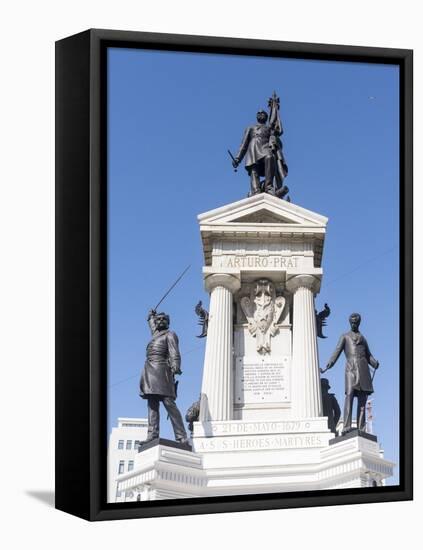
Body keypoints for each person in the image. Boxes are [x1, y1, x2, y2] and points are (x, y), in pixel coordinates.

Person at [321, 313, 379, 434]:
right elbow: (336, 351)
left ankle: (361, 427)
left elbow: (369, 355)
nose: (353, 324)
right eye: (352, 323)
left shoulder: (363, 339)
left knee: (362, 401)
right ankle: (346, 426)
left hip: (363, 370)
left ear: (359, 323)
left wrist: (374, 363)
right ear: (349, 323)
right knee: (349, 395)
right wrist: (328, 365)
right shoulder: (345, 336)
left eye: (355, 323)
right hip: (350, 369)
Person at [139, 309, 189, 444]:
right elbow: (152, 324)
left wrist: (175, 366)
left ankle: (181, 436)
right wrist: (151, 316)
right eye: (158, 319)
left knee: (168, 403)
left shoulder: (170, 335)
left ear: (168, 322)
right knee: (152, 404)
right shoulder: (156, 334)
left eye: (163, 319)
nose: (160, 321)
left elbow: (174, 352)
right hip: (149, 370)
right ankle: (152, 435)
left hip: (162, 370)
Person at [232, 109, 280, 196]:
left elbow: (276, 135)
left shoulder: (269, 128)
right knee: (254, 170)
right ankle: (255, 190)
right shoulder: (250, 128)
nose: (260, 114)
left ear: (266, 117)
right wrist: (238, 158)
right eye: (259, 113)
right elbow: (244, 144)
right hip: (253, 149)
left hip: (265, 147)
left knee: (270, 157)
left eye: (263, 113)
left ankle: (268, 187)